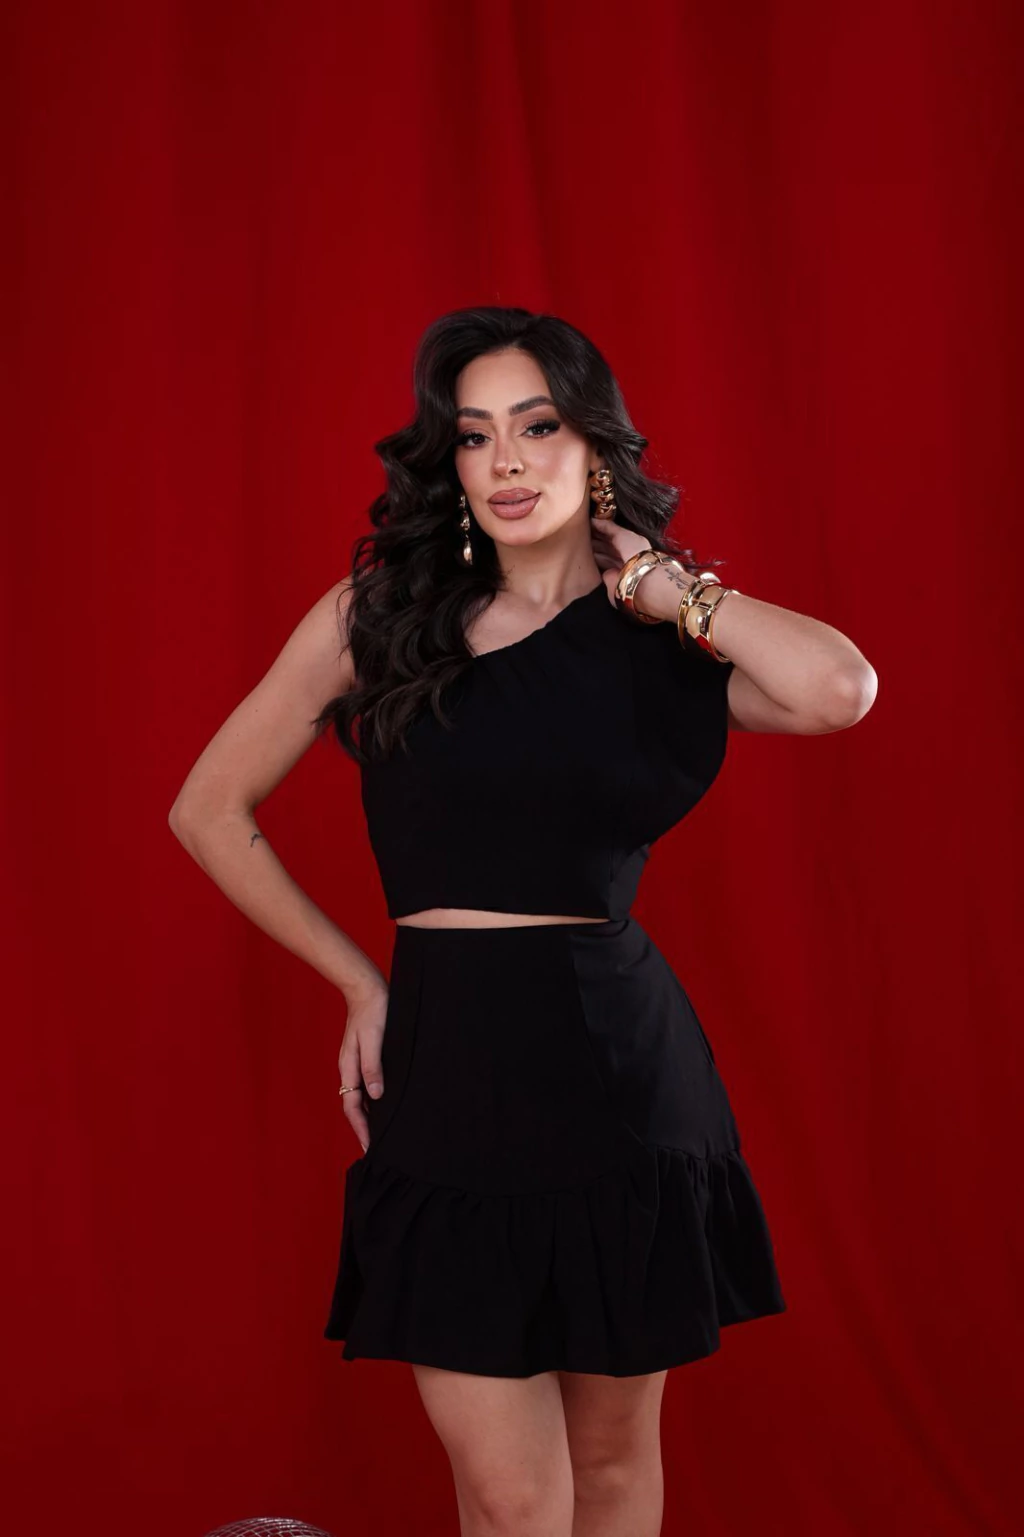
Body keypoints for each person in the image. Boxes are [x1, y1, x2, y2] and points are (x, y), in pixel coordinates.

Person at [169, 306, 877, 1537]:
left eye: (538, 427)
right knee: (510, 1500)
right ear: (446, 458)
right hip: (446, 1064)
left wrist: (664, 585)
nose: (503, 460)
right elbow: (207, 809)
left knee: (609, 1468)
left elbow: (838, 689)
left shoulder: (663, 640)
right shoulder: (378, 620)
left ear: (593, 445)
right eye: (473, 433)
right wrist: (360, 982)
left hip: (621, 1077)